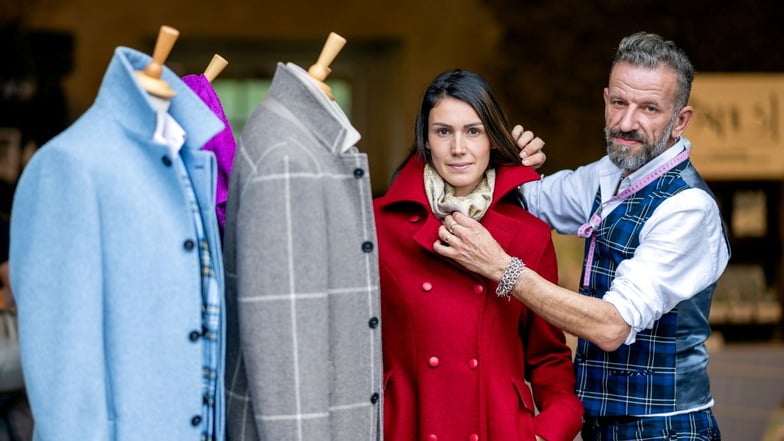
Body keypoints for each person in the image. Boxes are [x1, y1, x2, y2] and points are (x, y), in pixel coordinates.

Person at [434, 32, 729, 440]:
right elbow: (522, 201)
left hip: (668, 429)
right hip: (596, 427)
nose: (627, 123)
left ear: (680, 119)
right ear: (605, 99)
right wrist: (501, 160)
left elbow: (612, 327)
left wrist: (502, 268)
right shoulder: (606, 175)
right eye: (619, 103)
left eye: (648, 109)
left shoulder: (688, 208)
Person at [373, 69, 583, 441]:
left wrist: (548, 431)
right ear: (425, 140)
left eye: (473, 131)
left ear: (492, 139)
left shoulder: (529, 234)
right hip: (410, 427)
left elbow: (549, 358)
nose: (458, 148)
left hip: (501, 429)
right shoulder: (377, 227)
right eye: (443, 132)